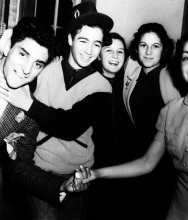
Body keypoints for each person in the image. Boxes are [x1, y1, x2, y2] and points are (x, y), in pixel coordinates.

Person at [85, 28, 188, 220]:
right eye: (187, 57)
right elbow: (146, 163)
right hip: (176, 209)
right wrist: (96, 174)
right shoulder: (170, 110)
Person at [0, 1, 113, 220]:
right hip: (39, 166)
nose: (89, 50)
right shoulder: (45, 66)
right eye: (83, 40)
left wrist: (28, 105)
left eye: (97, 44)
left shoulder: (101, 86)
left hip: (75, 174)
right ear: (70, 39)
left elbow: (70, 125)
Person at [112, 22, 180, 220]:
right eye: (143, 45)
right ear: (137, 48)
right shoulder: (133, 71)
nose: (149, 52)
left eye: (155, 46)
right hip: (132, 157)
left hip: (160, 163)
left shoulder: (169, 79)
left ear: (164, 49)